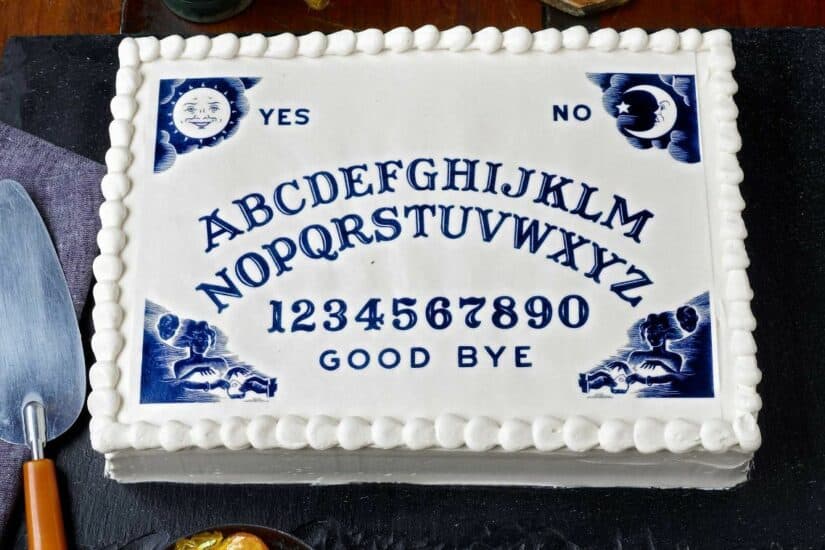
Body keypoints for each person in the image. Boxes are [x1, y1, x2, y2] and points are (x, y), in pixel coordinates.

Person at [579, 305, 698, 395]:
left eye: (656, 333)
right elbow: (630, 376)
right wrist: (623, 366)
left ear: (665, 334)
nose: (652, 337)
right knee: (604, 377)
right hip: (628, 389)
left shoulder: (675, 358)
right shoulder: (636, 355)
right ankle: (588, 383)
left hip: (648, 397)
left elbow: (670, 379)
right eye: (649, 333)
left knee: (607, 380)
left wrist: (653, 369)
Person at [157, 313, 277, 399]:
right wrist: (198, 373)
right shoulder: (180, 365)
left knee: (253, 381)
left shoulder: (219, 361)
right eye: (200, 339)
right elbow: (181, 384)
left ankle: (268, 388)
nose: (204, 343)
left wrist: (232, 371)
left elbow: (224, 381)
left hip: (229, 394)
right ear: (189, 341)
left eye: (206, 340)